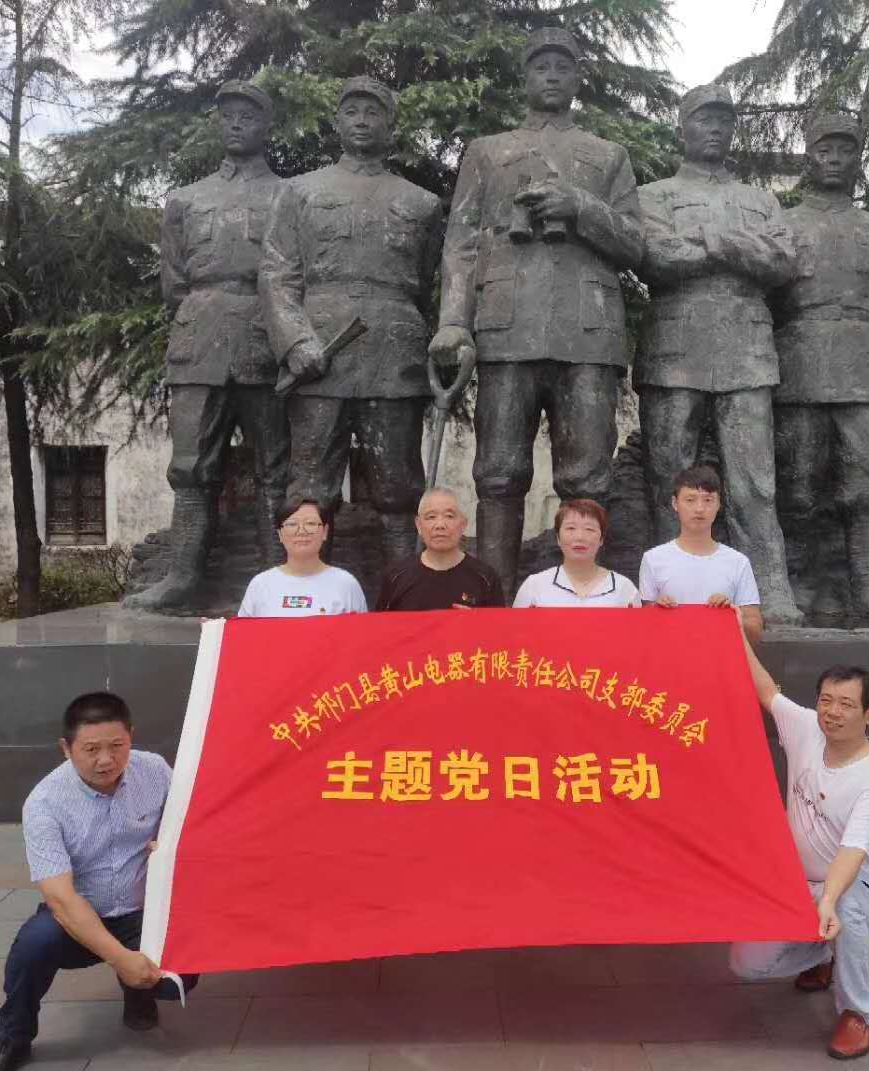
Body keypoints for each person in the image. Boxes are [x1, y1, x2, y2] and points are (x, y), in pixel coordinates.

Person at [429, 27, 645, 596]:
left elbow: (635, 245)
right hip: (506, 328)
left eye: (562, 67)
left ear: (577, 79)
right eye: (541, 66)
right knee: (498, 473)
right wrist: (453, 321)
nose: (551, 75)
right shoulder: (487, 152)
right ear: (524, 77)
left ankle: (585, 596)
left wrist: (581, 207)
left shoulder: (608, 156)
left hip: (588, 332)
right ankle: (494, 597)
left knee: (587, 476)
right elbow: (461, 244)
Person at [636, 84, 802, 626]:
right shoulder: (653, 195)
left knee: (755, 481)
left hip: (746, 349)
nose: (715, 128)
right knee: (668, 477)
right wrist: (740, 247)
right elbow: (655, 256)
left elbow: (782, 263)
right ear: (682, 128)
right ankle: (665, 589)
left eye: (724, 121)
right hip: (674, 348)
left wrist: (710, 241)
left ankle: (769, 591)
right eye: (704, 119)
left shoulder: (762, 200)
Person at [259, 77, 443, 564]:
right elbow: (277, 274)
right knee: (311, 485)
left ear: (391, 126)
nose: (362, 120)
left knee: (399, 486)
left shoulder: (421, 203)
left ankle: (405, 587)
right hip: (322, 354)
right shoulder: (299, 192)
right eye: (352, 112)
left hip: (394, 356)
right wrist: (295, 342)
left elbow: (423, 282)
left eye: (373, 112)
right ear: (336, 123)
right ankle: (307, 585)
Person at [0, 693, 196, 1071]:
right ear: (66, 748)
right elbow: (59, 897)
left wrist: (172, 840)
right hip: (77, 915)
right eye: (91, 749)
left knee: (180, 981)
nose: (106, 760)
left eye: (117, 746)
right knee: (33, 947)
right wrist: (121, 959)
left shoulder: (155, 771)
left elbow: (188, 820)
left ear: (131, 736)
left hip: (142, 911)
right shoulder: (45, 803)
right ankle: (13, 1038)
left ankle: (139, 994)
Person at [127, 81, 288, 611]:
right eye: (228, 116)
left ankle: (278, 575)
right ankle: (182, 577)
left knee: (276, 466)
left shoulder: (289, 196)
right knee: (190, 467)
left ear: (266, 127)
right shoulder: (185, 199)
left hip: (266, 337)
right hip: (198, 339)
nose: (236, 124)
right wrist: (204, 314)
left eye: (248, 115)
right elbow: (173, 282)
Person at [728, 633, 869, 1061]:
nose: (832, 712)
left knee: (847, 907)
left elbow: (853, 851)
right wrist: (732, 629)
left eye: (846, 704)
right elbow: (766, 690)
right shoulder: (806, 728)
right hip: (795, 887)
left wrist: (829, 901)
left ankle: (859, 1013)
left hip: (854, 890)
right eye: (826, 700)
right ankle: (821, 951)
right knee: (747, 964)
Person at [773, 113, 869, 622]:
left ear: (858, 159)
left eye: (845, 150)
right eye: (824, 150)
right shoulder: (783, 224)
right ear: (809, 158)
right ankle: (800, 584)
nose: (834, 160)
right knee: (799, 483)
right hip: (800, 364)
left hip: (863, 366)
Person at [638, 465, 765, 641]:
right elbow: (643, 626)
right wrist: (656, 611)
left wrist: (731, 614)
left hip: (721, 653)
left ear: (719, 504)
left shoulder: (738, 562)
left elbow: (755, 630)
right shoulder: (653, 559)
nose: (699, 508)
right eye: (690, 500)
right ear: (675, 503)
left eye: (708, 500)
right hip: (671, 652)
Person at [376, 487, 505, 611]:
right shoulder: (396, 578)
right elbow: (380, 625)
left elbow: (500, 625)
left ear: (463, 524)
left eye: (449, 516)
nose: (440, 525)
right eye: (431, 517)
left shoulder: (486, 579)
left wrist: (476, 620)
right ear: (418, 525)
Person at [238, 498, 367, 617]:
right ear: (280, 534)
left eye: (310, 523)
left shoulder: (346, 584)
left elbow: (361, 632)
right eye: (292, 524)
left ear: (325, 531)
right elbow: (243, 632)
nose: (301, 531)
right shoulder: (260, 585)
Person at [513, 499, 640, 608]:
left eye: (589, 529)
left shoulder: (624, 588)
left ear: (601, 539)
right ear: (558, 538)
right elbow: (516, 628)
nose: (579, 537)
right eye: (570, 528)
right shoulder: (534, 586)